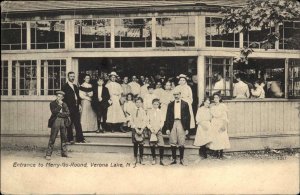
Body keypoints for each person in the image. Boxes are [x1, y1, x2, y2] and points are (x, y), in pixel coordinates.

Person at [165, 90, 191, 165]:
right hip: (172, 123)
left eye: (177, 94)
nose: (176, 96)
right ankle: (174, 159)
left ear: (180, 94)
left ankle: (181, 159)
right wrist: (167, 128)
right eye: (174, 94)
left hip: (181, 123)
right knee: (173, 140)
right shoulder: (170, 104)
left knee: (181, 141)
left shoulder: (185, 104)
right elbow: (167, 116)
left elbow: (188, 117)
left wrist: (187, 128)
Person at [62, 72, 86, 143]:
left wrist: (79, 105)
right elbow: (63, 99)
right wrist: (66, 108)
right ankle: (70, 139)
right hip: (69, 108)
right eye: (71, 76)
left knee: (78, 123)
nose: (72, 78)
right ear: (68, 77)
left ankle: (80, 139)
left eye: (73, 76)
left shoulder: (75, 86)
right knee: (69, 123)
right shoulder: (64, 87)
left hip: (76, 107)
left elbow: (77, 97)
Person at [46, 91, 70, 160]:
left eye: (60, 97)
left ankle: (64, 153)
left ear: (62, 97)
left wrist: (60, 114)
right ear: (56, 96)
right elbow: (54, 112)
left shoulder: (64, 104)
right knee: (52, 138)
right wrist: (59, 106)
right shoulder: (52, 103)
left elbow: (68, 113)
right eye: (58, 96)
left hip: (63, 122)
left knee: (64, 137)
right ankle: (48, 154)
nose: (59, 98)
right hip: (55, 121)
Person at [208, 93, 230, 159]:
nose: (215, 99)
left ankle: (221, 153)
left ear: (219, 98)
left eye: (217, 98)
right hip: (214, 122)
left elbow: (225, 116)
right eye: (214, 98)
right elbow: (211, 116)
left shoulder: (222, 106)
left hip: (221, 122)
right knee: (215, 137)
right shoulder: (212, 107)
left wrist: (224, 125)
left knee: (221, 137)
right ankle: (217, 152)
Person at [147, 98, 165, 165]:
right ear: (152, 104)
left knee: (161, 144)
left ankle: (161, 159)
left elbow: (162, 121)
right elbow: (147, 121)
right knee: (152, 144)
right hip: (151, 130)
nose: (155, 105)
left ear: (159, 105)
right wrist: (151, 129)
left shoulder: (160, 112)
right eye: (154, 104)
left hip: (158, 130)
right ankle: (154, 158)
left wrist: (158, 129)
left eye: (157, 104)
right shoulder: (149, 112)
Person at [131, 97, 147, 165]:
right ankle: (135, 157)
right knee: (135, 144)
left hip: (141, 129)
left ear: (142, 103)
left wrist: (142, 129)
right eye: (137, 102)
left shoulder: (143, 111)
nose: (138, 104)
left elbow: (145, 121)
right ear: (135, 103)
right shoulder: (132, 111)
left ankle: (141, 157)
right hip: (135, 128)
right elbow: (131, 121)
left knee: (141, 144)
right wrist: (136, 128)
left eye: (139, 102)